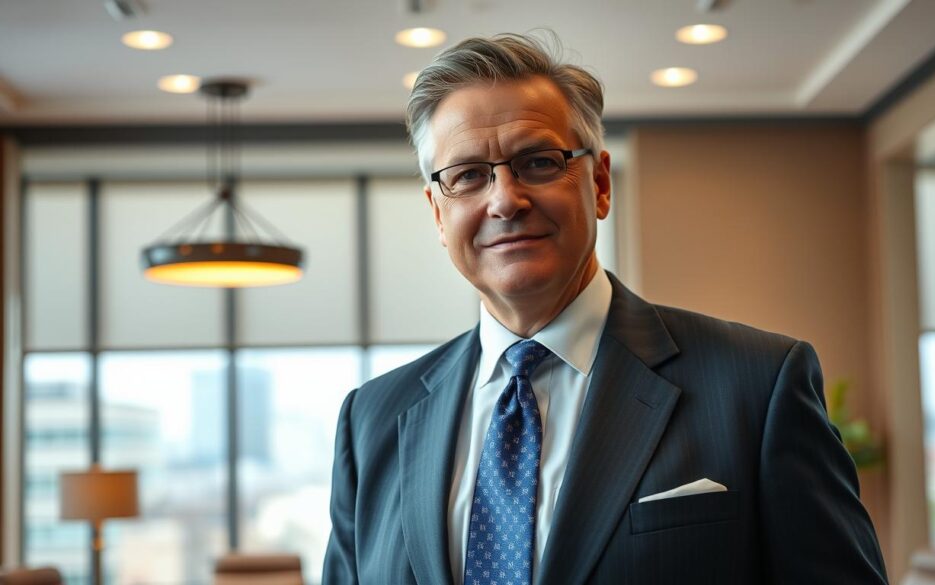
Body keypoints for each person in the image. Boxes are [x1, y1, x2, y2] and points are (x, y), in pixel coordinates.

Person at [323, 33, 888, 585]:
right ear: (437, 215)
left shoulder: (758, 384)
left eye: (538, 162)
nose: (504, 200)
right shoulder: (371, 420)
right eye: (468, 176)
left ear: (597, 183)